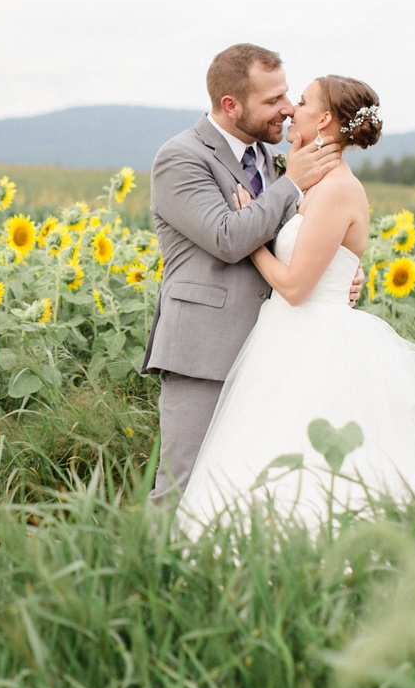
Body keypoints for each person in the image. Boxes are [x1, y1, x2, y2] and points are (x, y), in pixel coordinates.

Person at [174, 75, 415, 539]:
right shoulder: (305, 181)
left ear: (323, 119)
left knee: (315, 467)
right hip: (282, 337)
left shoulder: (338, 189)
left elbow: (296, 287)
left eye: (300, 101)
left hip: (315, 341)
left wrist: (250, 236)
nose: (290, 109)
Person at [143, 44, 353, 506]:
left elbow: (302, 239)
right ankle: (155, 578)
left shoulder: (275, 158)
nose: (287, 108)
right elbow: (226, 236)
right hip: (205, 352)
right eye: (273, 100)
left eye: (288, 95)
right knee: (182, 488)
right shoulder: (180, 158)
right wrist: (291, 184)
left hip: (275, 354)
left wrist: (341, 276)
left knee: (253, 491)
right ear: (230, 105)